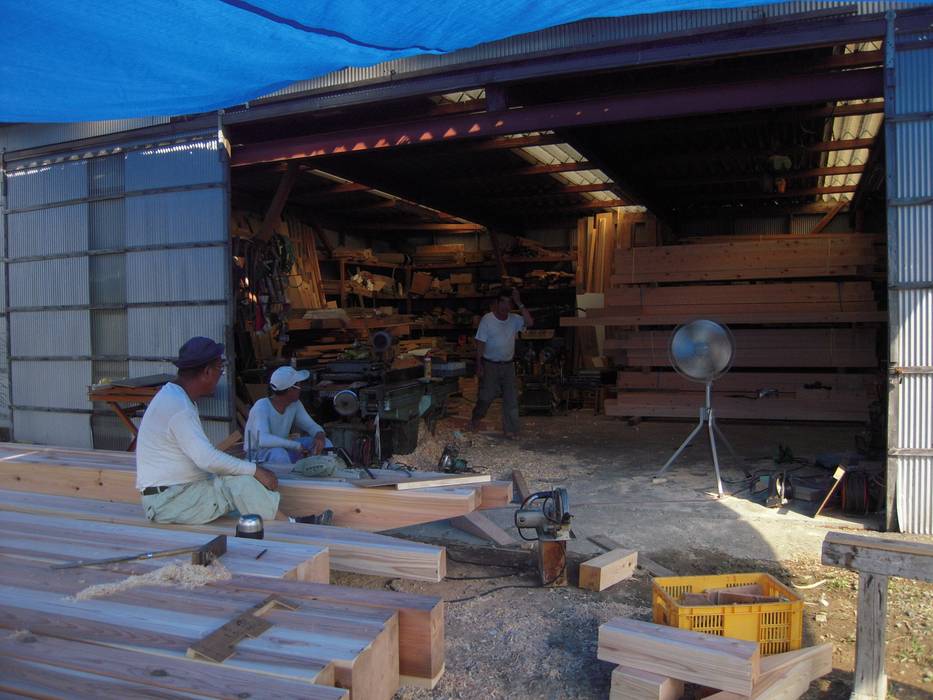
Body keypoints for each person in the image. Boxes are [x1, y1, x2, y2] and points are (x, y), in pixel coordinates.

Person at [135, 337, 329, 525]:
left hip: (177, 493)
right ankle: (289, 524)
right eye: (221, 369)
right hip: (168, 502)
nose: (221, 374)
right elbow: (207, 459)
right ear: (207, 372)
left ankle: (282, 519)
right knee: (241, 483)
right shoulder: (179, 407)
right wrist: (255, 471)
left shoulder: (175, 396)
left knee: (239, 483)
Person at [468, 288, 533, 438]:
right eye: (502, 302)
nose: (505, 306)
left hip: (508, 365)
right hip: (490, 364)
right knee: (486, 397)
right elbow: (480, 344)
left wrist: (519, 302)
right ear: (497, 303)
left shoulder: (514, 319)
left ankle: (511, 430)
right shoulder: (487, 320)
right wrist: (479, 365)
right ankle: (476, 418)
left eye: (509, 303)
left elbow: (529, 322)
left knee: (511, 398)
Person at [245, 366, 331, 475]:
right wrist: (295, 446)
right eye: (299, 385)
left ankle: (325, 474)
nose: (301, 388)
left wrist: (320, 436)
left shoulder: (295, 404)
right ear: (290, 389)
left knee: (326, 443)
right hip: (258, 454)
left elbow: (310, 426)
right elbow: (263, 439)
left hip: (283, 448)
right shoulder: (261, 406)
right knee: (279, 454)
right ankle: (289, 484)